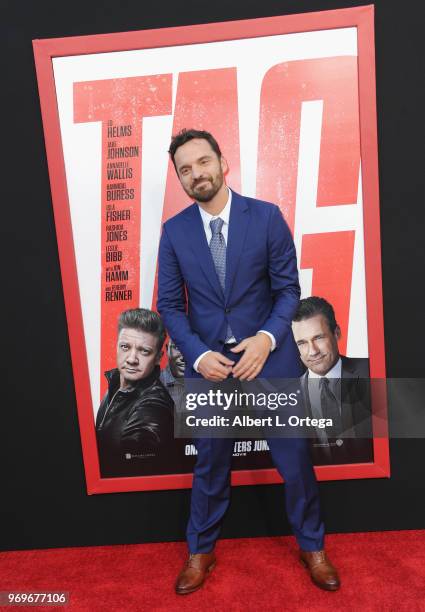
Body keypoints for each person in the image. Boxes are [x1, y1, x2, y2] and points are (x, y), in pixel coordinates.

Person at [157, 129, 340, 593]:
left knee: (295, 460)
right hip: (209, 366)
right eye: (185, 168)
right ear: (179, 178)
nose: (196, 173)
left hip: (270, 360)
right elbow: (170, 307)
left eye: (202, 162)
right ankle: (200, 552)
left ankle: (312, 546)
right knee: (210, 463)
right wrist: (198, 357)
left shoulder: (265, 217)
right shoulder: (174, 232)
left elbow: (287, 291)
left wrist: (264, 339)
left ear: (223, 163)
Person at [292, 296, 373, 465]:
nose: (312, 351)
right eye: (302, 343)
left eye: (318, 338)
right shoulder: (287, 395)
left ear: (337, 333)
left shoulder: (373, 371)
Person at [95, 308, 174, 477]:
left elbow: (135, 466)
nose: (131, 359)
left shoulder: (153, 406)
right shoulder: (116, 383)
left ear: (159, 357)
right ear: (116, 346)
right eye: (125, 347)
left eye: (144, 351)